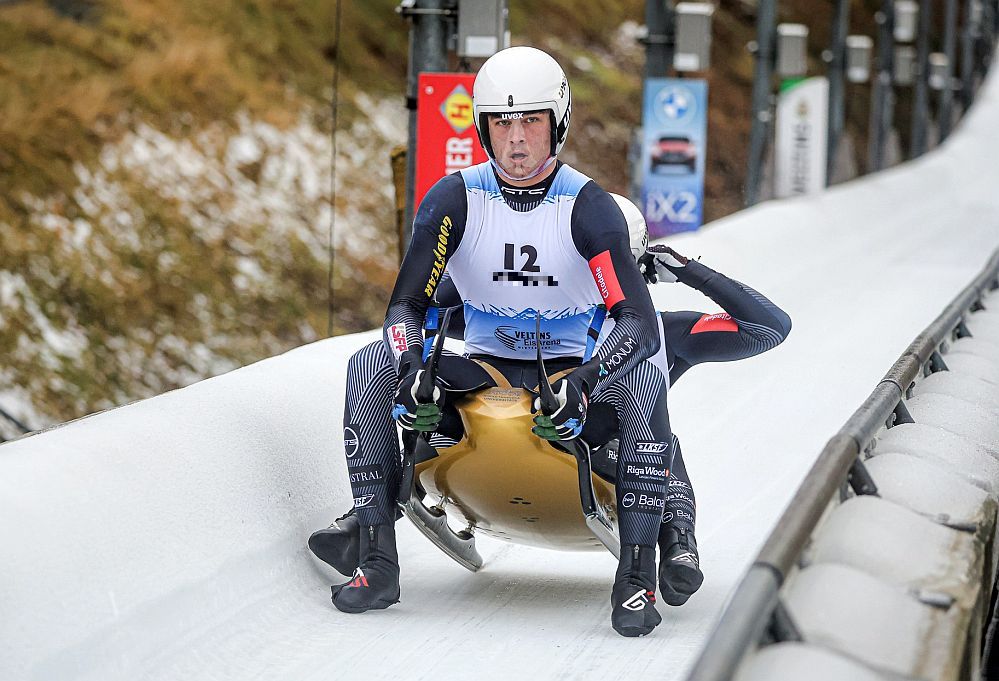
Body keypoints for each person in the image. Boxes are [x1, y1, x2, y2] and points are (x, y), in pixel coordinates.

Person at [326, 46, 670, 637]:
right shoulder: (453, 199)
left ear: (558, 123)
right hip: (486, 368)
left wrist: (588, 380)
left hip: (570, 374)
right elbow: (406, 307)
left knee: (644, 374)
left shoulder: (589, 208)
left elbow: (636, 321)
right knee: (369, 362)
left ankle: (637, 578)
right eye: (501, 123)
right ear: (482, 128)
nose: (515, 140)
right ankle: (376, 559)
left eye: (530, 121)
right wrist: (411, 367)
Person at [311, 197, 792, 609]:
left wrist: (687, 269)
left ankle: (675, 541)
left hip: (599, 453)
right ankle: (370, 521)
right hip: (489, 428)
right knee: (401, 375)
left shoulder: (664, 329)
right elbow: (418, 314)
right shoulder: (512, 309)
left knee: (660, 436)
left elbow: (768, 327)